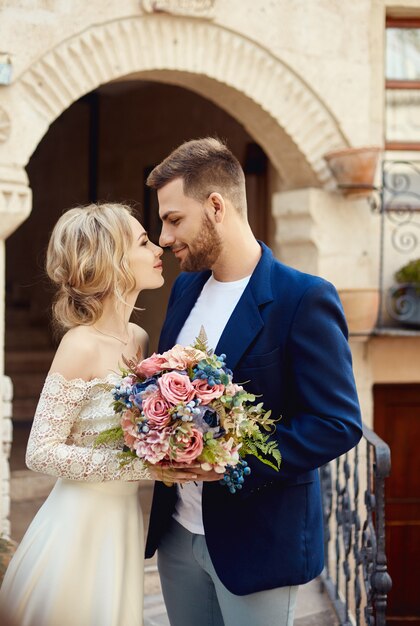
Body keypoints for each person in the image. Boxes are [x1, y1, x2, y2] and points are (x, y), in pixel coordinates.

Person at [145, 137, 363, 626]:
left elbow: (337, 422)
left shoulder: (302, 298)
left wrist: (231, 460)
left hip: (258, 543)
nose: (163, 237)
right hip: (177, 536)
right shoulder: (185, 289)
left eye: (174, 219)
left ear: (216, 206)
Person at [0, 203, 195, 626]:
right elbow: (40, 452)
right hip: (78, 526)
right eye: (143, 242)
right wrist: (147, 467)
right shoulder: (80, 344)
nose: (157, 246)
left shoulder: (140, 338)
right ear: (112, 261)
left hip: (123, 521)